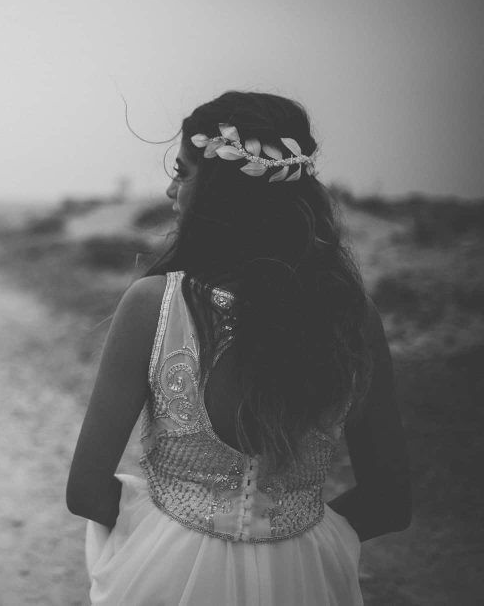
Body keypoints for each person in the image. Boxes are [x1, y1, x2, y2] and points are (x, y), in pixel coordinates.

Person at [66, 91, 411, 605]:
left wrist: (160, 529)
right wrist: (298, 539)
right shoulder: (353, 318)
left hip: (169, 573)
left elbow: (86, 491)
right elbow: (389, 501)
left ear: (218, 190)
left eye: (182, 172)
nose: (171, 189)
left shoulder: (155, 305)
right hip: (304, 579)